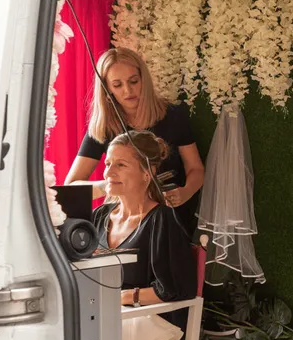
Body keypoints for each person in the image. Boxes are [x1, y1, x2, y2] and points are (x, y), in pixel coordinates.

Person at [92, 130, 209, 340]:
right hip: (112, 319)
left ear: (147, 173)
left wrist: (123, 298)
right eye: (108, 164)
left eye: (121, 165)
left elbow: (174, 290)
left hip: (154, 323)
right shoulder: (100, 216)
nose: (109, 172)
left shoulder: (162, 220)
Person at [66, 47, 204, 238]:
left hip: (171, 221)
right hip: (122, 228)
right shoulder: (103, 126)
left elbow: (196, 169)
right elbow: (70, 189)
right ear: (106, 89)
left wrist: (186, 192)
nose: (128, 90)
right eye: (117, 85)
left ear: (144, 80)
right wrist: (111, 184)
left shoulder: (173, 116)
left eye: (133, 81)